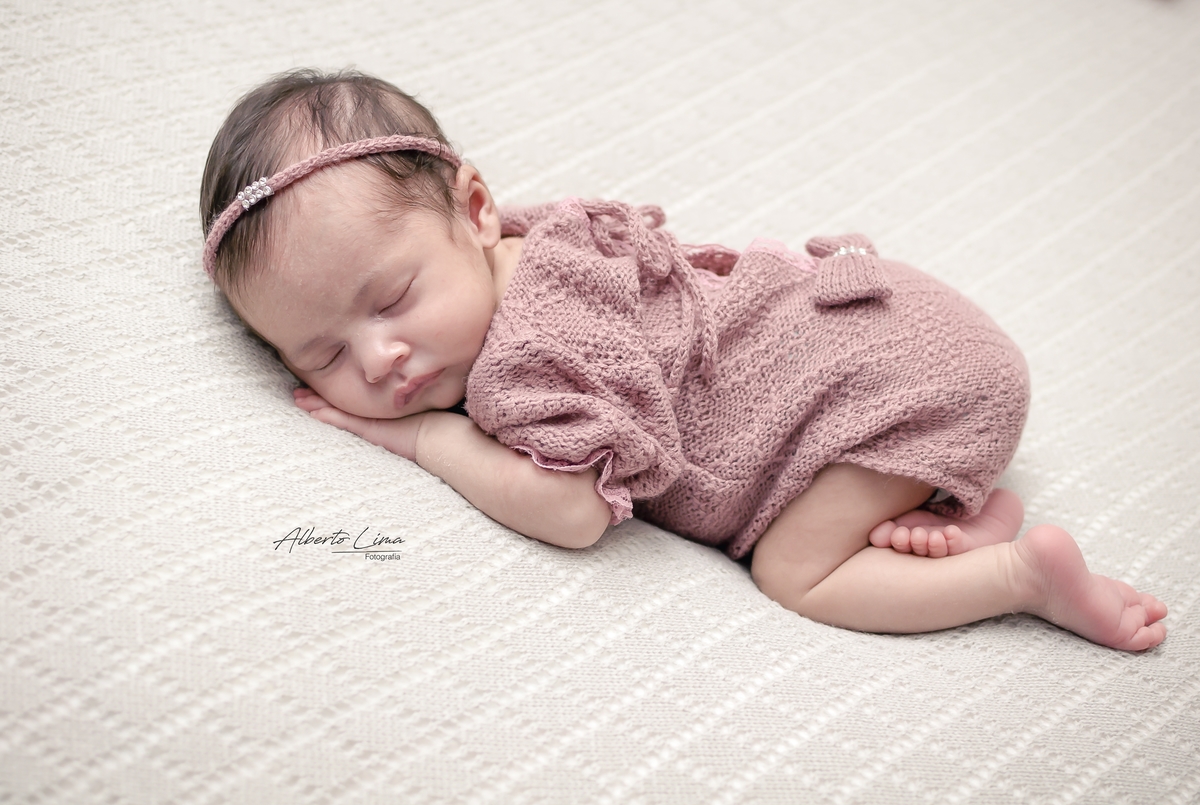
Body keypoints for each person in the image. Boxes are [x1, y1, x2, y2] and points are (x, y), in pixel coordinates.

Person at [200, 68, 1167, 651]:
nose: (380, 359)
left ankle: (1020, 578)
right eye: (324, 352)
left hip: (888, 383)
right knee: (836, 500)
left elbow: (574, 510)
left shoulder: (526, 358)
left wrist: (421, 440)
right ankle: (959, 509)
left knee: (797, 572)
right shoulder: (541, 239)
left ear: (477, 208)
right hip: (908, 335)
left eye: (393, 299)